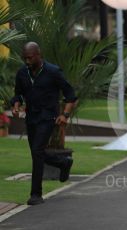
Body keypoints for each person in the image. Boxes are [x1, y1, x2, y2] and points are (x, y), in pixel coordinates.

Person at [11, 42, 77, 205]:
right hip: (31, 117)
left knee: (37, 150)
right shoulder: (22, 73)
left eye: (30, 58)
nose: (27, 61)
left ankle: (36, 194)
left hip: (48, 117)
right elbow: (18, 94)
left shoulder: (53, 72)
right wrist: (16, 105)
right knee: (37, 152)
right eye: (25, 58)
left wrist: (65, 115)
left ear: (39, 55)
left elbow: (70, 95)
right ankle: (63, 162)